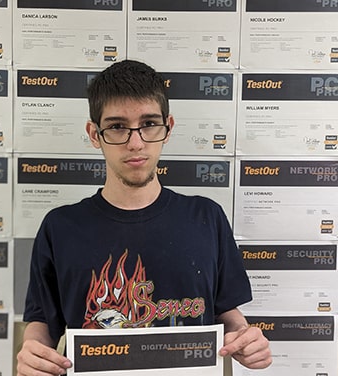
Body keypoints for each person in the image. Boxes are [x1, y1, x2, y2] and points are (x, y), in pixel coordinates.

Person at [17, 59, 272, 376]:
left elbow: (227, 314)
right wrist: (32, 354)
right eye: (117, 127)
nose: (135, 143)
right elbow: (42, 322)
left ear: (168, 128)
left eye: (149, 123)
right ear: (94, 134)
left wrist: (245, 337)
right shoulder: (60, 227)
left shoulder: (207, 217)